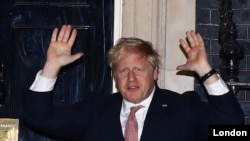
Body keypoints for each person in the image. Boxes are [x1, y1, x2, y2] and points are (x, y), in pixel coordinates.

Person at [23, 24, 244, 141]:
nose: (130, 78)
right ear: (115, 76)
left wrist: (205, 71)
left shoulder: (183, 108)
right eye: (123, 70)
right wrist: (51, 67)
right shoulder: (95, 111)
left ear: (155, 72)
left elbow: (232, 126)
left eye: (138, 69)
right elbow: (38, 116)